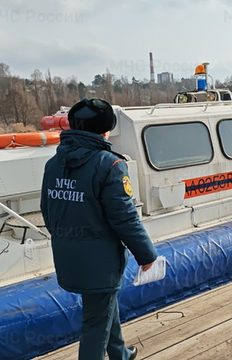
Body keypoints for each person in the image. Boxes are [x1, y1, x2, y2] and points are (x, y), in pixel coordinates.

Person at [40, 98, 157, 360]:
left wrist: (67, 239)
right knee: (95, 322)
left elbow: (48, 211)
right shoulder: (110, 165)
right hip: (100, 259)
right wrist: (146, 255)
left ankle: (120, 353)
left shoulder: (53, 164)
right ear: (105, 130)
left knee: (102, 304)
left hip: (68, 254)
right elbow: (125, 218)